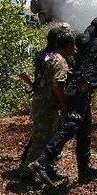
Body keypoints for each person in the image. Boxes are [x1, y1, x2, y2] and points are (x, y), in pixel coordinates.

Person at [28, 17, 97, 185]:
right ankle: (41, 162)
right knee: (70, 126)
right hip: (79, 92)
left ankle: (84, 170)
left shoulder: (88, 45)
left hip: (81, 91)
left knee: (84, 132)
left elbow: (92, 72)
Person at [18, 24, 74, 181]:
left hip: (39, 100)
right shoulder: (59, 60)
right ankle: (28, 173)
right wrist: (65, 102)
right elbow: (57, 85)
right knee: (44, 138)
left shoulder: (43, 55)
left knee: (43, 136)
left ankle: (44, 168)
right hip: (49, 104)